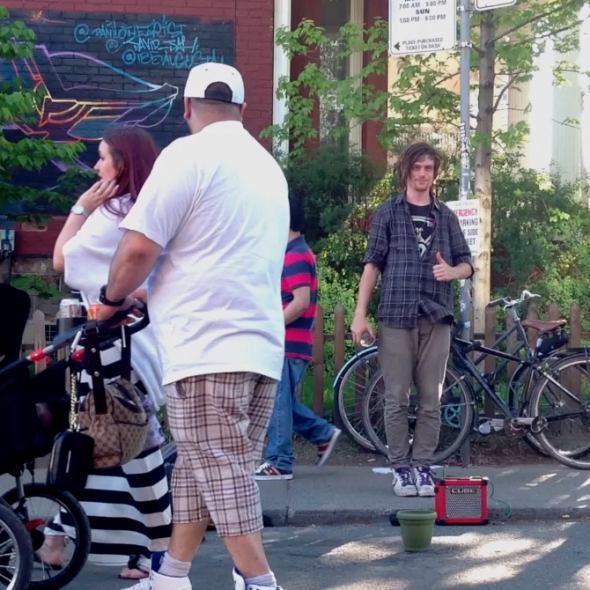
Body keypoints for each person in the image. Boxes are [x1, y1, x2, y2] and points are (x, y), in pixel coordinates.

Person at [97, 63, 289, 590]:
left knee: (220, 473)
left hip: (206, 346)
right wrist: (154, 294)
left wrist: (110, 299)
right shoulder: (268, 168)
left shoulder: (188, 155)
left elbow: (138, 248)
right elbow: (222, 255)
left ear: (186, 107)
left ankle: (261, 583)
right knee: (200, 471)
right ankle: (170, 576)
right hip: (259, 347)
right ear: (243, 109)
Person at [51, 127, 172, 581]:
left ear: (121, 164)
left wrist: (81, 206)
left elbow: (63, 261)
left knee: (119, 441)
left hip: (113, 349)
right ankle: (66, 534)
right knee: (106, 439)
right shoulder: (152, 210)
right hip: (139, 343)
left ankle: (158, 548)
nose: (96, 166)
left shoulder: (113, 213)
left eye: (102, 157)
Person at [351, 142, 473, 498]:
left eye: (428, 168)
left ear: (435, 174)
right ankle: (400, 469)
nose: (422, 174)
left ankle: (422, 466)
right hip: (396, 314)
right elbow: (372, 264)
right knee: (396, 397)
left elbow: (468, 264)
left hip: (436, 316)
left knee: (432, 398)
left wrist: (453, 272)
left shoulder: (446, 216)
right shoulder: (387, 212)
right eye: (416, 167)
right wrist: (360, 313)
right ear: (405, 170)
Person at [255, 197, 340, 481]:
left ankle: (280, 461)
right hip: (292, 342)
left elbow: (300, 301)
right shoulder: (297, 252)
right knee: (277, 401)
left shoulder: (295, 255)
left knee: (275, 402)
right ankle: (322, 433)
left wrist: (272, 327)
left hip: (287, 342)